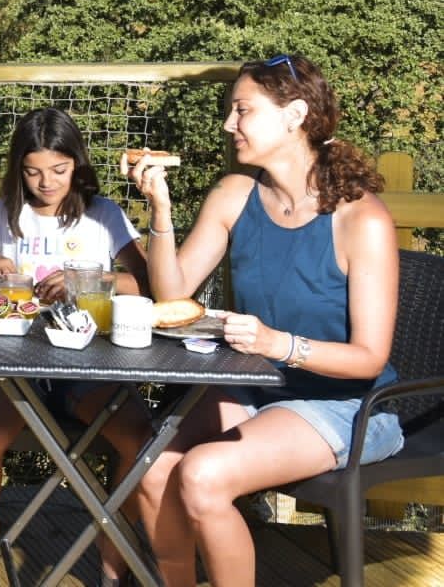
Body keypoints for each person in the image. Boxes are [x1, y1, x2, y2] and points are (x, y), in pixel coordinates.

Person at [126, 55, 403, 587]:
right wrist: (161, 209)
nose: (228, 124)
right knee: (153, 467)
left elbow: (369, 358)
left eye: (243, 110)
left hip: (349, 405)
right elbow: (173, 295)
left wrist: (279, 344)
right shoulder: (234, 194)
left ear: (295, 115)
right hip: (255, 384)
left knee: (202, 474)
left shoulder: (361, 219)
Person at [0, 106, 153, 585]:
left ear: (77, 164)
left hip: (88, 362)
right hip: (14, 360)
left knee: (140, 437)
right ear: (18, 170)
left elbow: (146, 282)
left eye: (59, 169)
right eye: (33, 171)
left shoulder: (102, 215)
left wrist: (86, 280)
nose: (46, 182)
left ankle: (114, 537)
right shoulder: (1, 215)